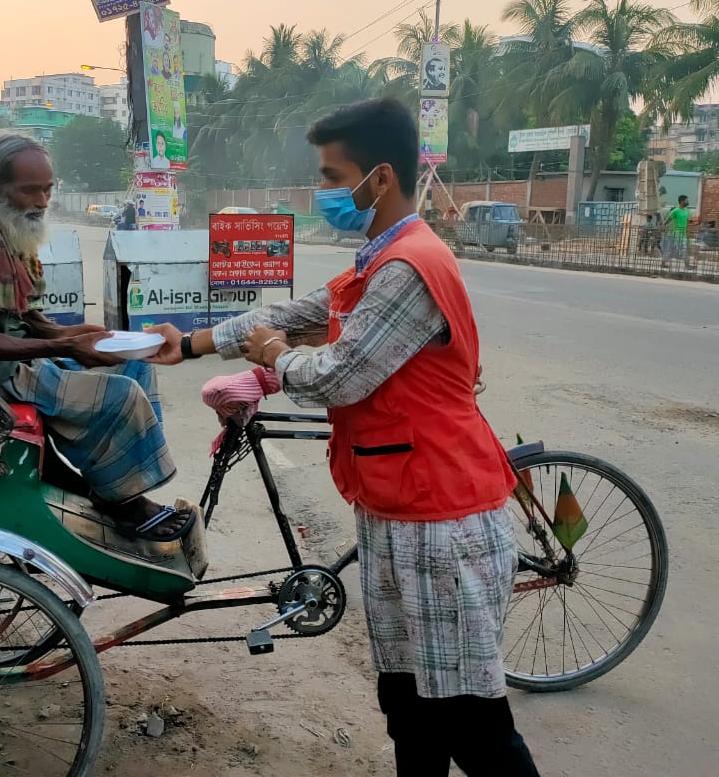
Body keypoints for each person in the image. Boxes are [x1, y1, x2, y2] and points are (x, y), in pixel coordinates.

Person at [147, 98, 540, 776]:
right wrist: (193, 343)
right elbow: (292, 315)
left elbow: (337, 377)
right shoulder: (375, 264)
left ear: (379, 179)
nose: (325, 191)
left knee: (472, 726)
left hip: (440, 518)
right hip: (397, 509)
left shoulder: (408, 270)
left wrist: (274, 355)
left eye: (333, 177)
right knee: (408, 708)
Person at [0, 133, 193, 540]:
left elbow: (20, 317)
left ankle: (113, 486)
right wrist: (63, 345)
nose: (42, 201)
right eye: (30, 190)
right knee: (121, 396)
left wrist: (73, 333)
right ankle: (125, 503)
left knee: (133, 363)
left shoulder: (2, 226)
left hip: (10, 357)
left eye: (47, 189)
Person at [661, 194, 693, 269]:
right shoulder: (675, 211)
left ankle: (687, 265)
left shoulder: (686, 211)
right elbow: (668, 219)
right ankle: (663, 263)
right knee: (671, 249)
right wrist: (662, 226)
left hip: (683, 234)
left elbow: (688, 221)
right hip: (675, 234)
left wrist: (693, 222)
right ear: (681, 202)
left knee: (684, 249)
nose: (687, 202)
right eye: (686, 201)